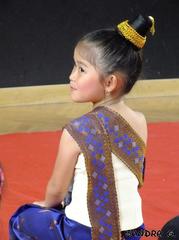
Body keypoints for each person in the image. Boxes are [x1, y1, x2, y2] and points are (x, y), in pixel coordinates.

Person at [9, 14, 155, 240]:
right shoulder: (140, 121)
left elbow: (56, 191)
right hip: (133, 231)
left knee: (21, 219)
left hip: (85, 233)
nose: (71, 76)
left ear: (109, 83)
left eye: (81, 69)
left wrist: (45, 205)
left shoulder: (77, 130)